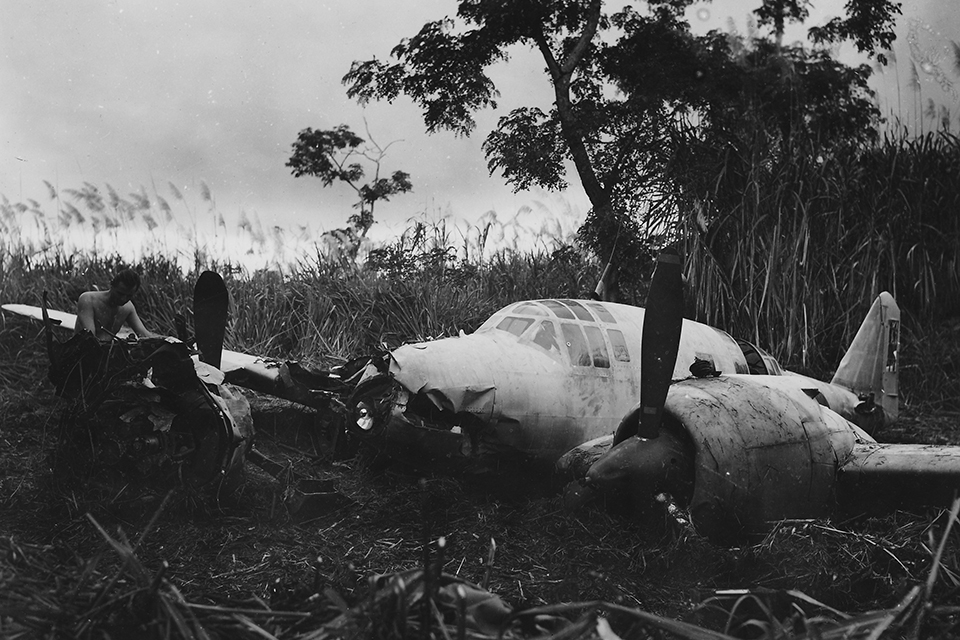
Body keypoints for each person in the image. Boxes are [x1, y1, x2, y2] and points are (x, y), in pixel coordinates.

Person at [75, 268, 159, 341]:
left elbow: (144, 335)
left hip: (107, 353)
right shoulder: (88, 299)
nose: (123, 299)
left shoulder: (128, 308)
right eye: (120, 294)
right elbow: (90, 338)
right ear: (112, 285)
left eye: (129, 296)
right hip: (81, 353)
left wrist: (168, 340)